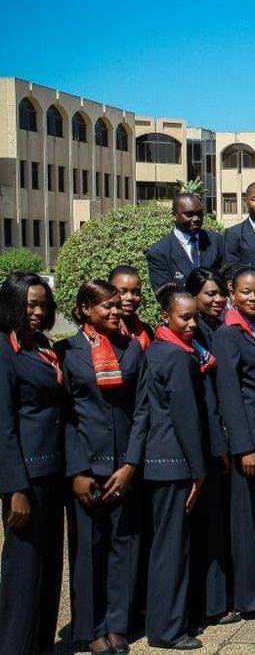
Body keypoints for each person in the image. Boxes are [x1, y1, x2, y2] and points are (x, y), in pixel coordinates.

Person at [59, 279, 148, 654]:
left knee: (121, 547)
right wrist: (77, 470)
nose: (115, 311)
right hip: (86, 466)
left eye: (117, 305)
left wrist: (130, 463)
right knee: (88, 551)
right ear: (84, 310)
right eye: (106, 307)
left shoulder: (132, 348)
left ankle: (116, 623)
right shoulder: (66, 350)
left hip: (122, 464)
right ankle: (90, 627)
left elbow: (143, 408)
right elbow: (63, 416)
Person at [143, 285, 211, 650]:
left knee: (165, 547)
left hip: (159, 461)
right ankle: (168, 630)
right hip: (175, 463)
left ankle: (167, 623)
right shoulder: (177, 357)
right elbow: (186, 419)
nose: (192, 324)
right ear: (165, 317)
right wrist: (199, 471)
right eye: (184, 317)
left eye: (195, 316)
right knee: (172, 550)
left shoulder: (157, 350)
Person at [0, 273, 65, 654]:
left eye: (42, 304)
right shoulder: (4, 351)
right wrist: (14, 489)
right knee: (23, 570)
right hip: (26, 476)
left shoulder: (40, 345)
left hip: (52, 471)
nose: (37, 311)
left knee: (50, 568)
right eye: (29, 304)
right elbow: (4, 425)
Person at [213, 267, 255, 621]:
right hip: (248, 441)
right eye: (246, 293)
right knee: (244, 522)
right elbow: (229, 394)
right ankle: (249, 596)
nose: (253, 298)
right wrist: (244, 447)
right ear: (231, 292)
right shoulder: (227, 335)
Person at [184, 268, 237, 627]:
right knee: (206, 526)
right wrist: (220, 446)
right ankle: (209, 605)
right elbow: (207, 397)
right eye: (209, 295)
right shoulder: (195, 334)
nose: (217, 300)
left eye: (220, 294)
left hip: (223, 438)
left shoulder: (220, 328)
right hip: (207, 443)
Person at [146, 193, 224, 290]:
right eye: (189, 214)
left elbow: (226, 278)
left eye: (199, 213)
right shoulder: (159, 252)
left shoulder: (217, 241)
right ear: (174, 216)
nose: (196, 219)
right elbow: (165, 295)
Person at [109, 265, 153, 350]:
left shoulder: (145, 330)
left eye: (136, 292)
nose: (130, 297)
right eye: (122, 291)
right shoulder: (104, 332)